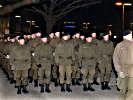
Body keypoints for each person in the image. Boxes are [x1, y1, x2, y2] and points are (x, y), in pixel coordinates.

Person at [113, 29, 133, 100]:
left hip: (132, 71)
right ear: (126, 36)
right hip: (122, 70)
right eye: (131, 34)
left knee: (131, 90)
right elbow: (115, 59)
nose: (132, 35)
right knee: (122, 90)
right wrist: (119, 70)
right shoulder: (119, 45)